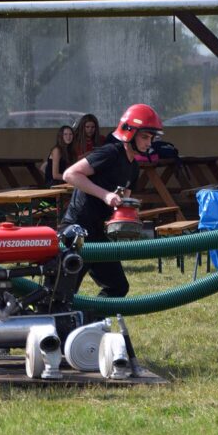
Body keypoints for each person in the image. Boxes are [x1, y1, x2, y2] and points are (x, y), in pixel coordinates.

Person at [62, 104, 163, 300]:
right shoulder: (110, 153)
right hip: (76, 231)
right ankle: (64, 327)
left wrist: (129, 211)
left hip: (98, 233)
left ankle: (89, 324)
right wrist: (105, 195)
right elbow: (70, 174)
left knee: (118, 287)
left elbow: (121, 203)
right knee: (63, 294)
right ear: (129, 133)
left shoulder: (134, 167)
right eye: (144, 137)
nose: (148, 143)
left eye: (151, 138)